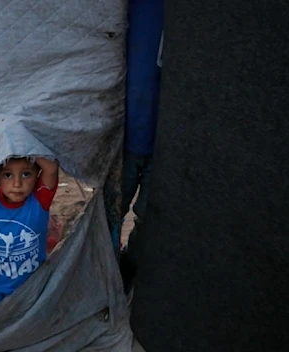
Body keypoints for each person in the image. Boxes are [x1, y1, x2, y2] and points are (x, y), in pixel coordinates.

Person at [0, 157, 58, 313]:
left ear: (37, 175)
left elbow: (51, 169)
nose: (17, 184)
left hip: (32, 290)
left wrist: (24, 144)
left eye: (26, 174)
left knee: (28, 331)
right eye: (8, 175)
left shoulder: (39, 199)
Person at [119, 0, 164, 292]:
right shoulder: (134, 7)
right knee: (111, 210)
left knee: (150, 215)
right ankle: (107, 267)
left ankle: (129, 266)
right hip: (124, 137)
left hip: (169, 148)